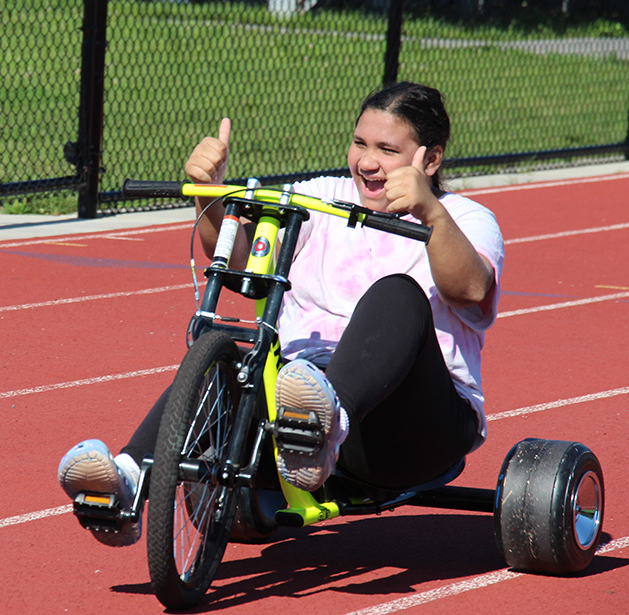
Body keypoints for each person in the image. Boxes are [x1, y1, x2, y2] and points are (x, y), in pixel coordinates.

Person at [57, 81, 504, 547]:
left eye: (388, 149)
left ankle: (331, 421)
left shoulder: (465, 218)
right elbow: (242, 260)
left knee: (397, 293)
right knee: (230, 362)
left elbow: (469, 288)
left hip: (410, 430)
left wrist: (429, 211)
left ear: (430, 160)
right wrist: (208, 196)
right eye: (360, 144)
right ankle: (128, 481)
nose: (367, 162)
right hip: (290, 424)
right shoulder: (322, 197)